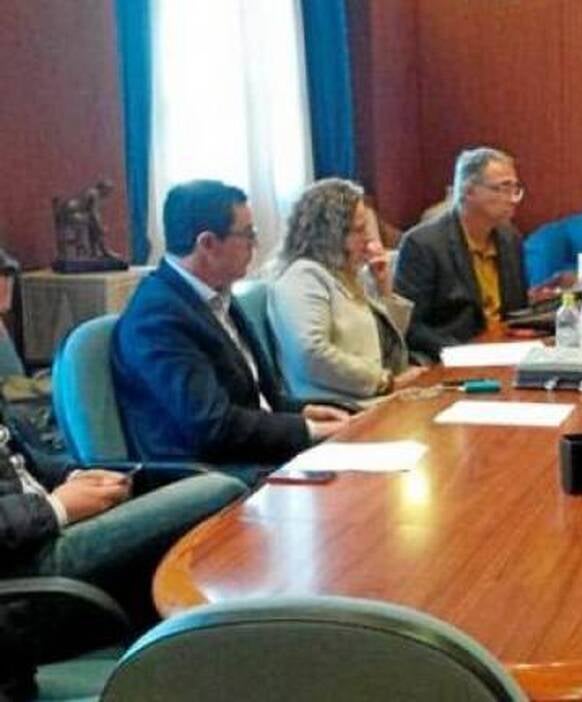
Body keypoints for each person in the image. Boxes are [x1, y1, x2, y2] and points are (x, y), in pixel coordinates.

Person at [1, 244, 247, 639]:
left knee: (192, 490)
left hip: (40, 529)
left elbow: (23, 465)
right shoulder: (160, 309)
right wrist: (56, 508)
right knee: (223, 490)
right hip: (25, 576)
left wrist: (74, 476)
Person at [112, 180, 350, 470]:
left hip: (256, 456)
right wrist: (307, 430)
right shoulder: (157, 318)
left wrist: (304, 413)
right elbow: (211, 425)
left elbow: (257, 400)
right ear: (208, 244)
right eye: (248, 235)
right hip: (212, 476)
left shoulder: (216, 295)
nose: (255, 245)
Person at [268, 179, 425, 401]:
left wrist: (384, 287)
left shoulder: (347, 273)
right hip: (340, 407)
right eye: (359, 230)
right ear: (330, 234)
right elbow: (310, 354)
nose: (369, 238)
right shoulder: (303, 276)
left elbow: (389, 345)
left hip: (374, 397)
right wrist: (383, 381)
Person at [393, 147, 530, 361]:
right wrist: (463, 353)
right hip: (452, 355)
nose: (513, 199)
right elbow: (410, 325)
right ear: (468, 191)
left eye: (515, 189)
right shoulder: (423, 244)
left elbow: (518, 310)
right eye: (503, 188)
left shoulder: (510, 239)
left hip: (505, 349)